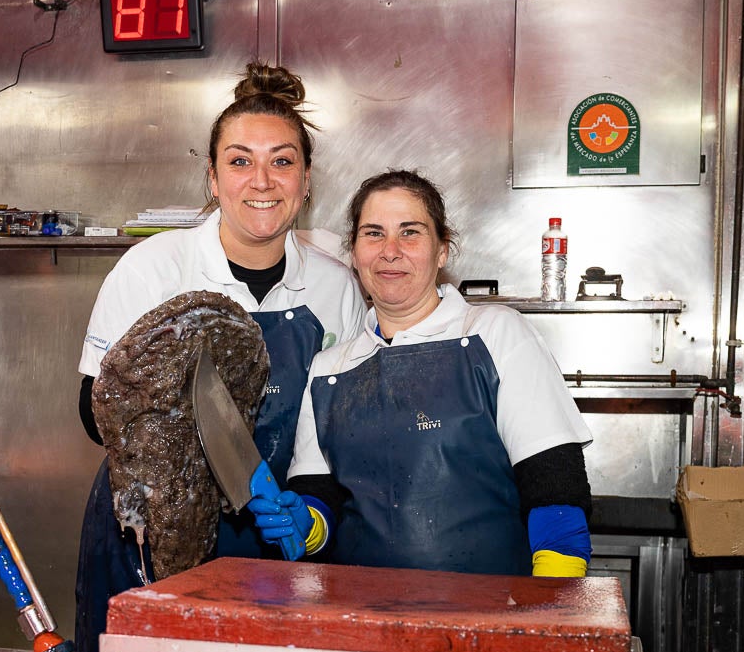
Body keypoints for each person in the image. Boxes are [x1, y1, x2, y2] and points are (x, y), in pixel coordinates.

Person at [74, 63, 367, 652]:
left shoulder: (337, 288)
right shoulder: (155, 268)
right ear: (212, 179)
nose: (262, 180)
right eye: (239, 161)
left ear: (306, 181)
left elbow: (342, 427)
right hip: (150, 531)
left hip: (276, 530)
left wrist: (307, 514)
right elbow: (92, 409)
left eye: (282, 161)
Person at [248, 170, 593, 577]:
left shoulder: (494, 334)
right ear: (354, 254)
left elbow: (554, 488)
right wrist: (305, 525)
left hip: (490, 616)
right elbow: (319, 495)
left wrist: (549, 613)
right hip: (361, 617)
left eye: (410, 233)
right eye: (373, 234)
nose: (390, 251)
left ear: (442, 250)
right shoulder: (330, 368)